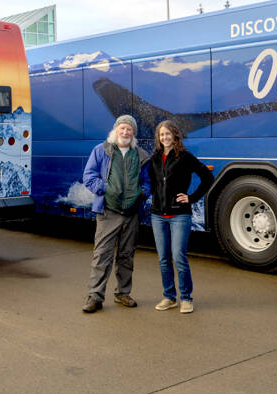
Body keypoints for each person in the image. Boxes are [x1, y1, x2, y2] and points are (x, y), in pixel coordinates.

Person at [81, 115, 150, 313]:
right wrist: (104, 188)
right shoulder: (101, 150)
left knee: (127, 256)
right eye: (122, 128)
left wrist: (142, 194)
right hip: (108, 212)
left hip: (131, 214)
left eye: (129, 129)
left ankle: (123, 293)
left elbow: (147, 181)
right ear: (115, 130)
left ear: (133, 133)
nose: (125, 132)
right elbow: (89, 176)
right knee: (102, 255)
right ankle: (95, 296)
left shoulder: (141, 155)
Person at [148, 120, 214, 314]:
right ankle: (169, 297)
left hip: (179, 214)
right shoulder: (155, 157)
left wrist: (191, 198)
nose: (164, 137)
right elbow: (151, 182)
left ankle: (186, 298)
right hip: (158, 215)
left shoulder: (185, 156)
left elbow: (207, 178)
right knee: (163, 258)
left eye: (168, 134)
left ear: (175, 135)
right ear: (158, 138)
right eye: (161, 135)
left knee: (179, 256)